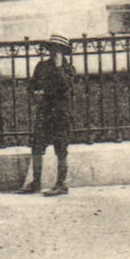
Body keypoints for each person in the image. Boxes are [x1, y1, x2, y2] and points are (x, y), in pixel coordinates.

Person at [23, 37, 76, 196]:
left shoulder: (69, 69)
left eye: (58, 49)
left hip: (61, 112)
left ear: (64, 52)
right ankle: (36, 182)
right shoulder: (42, 66)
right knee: (37, 146)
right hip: (45, 111)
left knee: (61, 148)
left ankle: (61, 184)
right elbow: (32, 86)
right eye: (52, 48)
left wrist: (59, 67)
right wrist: (36, 93)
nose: (54, 52)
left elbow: (66, 86)